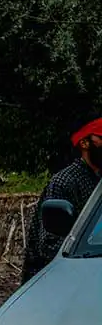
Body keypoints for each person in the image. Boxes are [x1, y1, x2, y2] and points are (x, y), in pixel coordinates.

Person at [21, 118, 102, 283]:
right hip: (56, 280)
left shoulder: (98, 180)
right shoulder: (65, 181)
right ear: (84, 143)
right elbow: (49, 243)